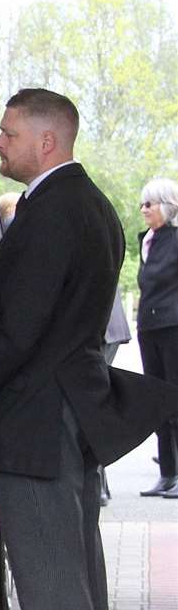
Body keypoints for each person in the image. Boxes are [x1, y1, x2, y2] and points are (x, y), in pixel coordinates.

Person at [0, 89, 173, 610]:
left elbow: (18, 326)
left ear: (44, 141)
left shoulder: (52, 211)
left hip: (37, 417)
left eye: (7, 132)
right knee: (75, 580)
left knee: (53, 588)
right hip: (68, 411)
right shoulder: (86, 205)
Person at [135, 177, 178, 499]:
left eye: (150, 204)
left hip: (173, 327)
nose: (144, 209)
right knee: (157, 399)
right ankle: (167, 473)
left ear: (167, 206)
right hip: (149, 328)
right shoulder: (146, 240)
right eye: (142, 204)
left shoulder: (175, 239)